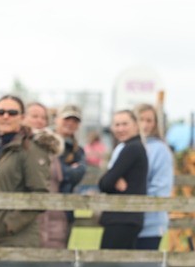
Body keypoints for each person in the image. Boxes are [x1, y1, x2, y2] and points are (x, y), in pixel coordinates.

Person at [0, 95, 58, 247]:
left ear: (22, 117)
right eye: (0, 112)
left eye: (12, 112)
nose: (5, 116)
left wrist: (9, 225)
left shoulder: (31, 148)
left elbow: (39, 194)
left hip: (16, 238)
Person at [98, 110, 148, 249]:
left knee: (108, 265)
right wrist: (113, 178)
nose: (120, 129)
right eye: (117, 125)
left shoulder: (132, 148)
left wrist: (111, 179)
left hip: (123, 217)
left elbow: (105, 184)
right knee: (119, 266)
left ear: (136, 125)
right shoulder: (131, 147)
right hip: (126, 218)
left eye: (125, 124)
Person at [24, 103, 67, 248]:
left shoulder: (51, 148)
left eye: (43, 117)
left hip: (52, 212)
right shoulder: (18, 147)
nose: (39, 120)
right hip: (25, 214)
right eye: (34, 116)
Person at [133, 104, 174, 250]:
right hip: (126, 221)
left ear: (155, 124)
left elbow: (161, 187)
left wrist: (133, 202)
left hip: (150, 223)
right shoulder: (122, 147)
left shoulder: (160, 150)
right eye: (141, 119)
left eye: (149, 120)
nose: (144, 125)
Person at [53, 105, 89, 248]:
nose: (70, 123)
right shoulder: (45, 143)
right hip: (42, 209)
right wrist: (66, 170)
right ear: (57, 120)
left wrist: (61, 171)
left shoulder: (77, 150)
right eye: (67, 118)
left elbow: (78, 175)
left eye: (75, 120)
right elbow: (47, 172)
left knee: (61, 253)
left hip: (66, 209)